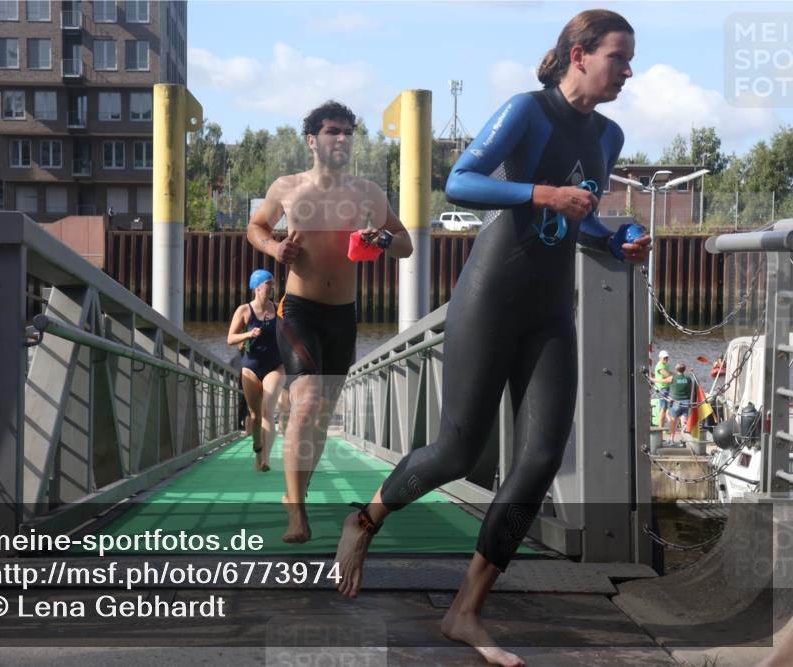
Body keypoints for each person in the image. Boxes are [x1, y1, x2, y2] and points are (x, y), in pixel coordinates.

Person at [332, 10, 649, 667]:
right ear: (578, 54)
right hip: (491, 296)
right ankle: (362, 521)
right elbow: (461, 181)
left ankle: (465, 610)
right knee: (455, 449)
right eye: (619, 57)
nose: (627, 71)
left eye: (630, 59)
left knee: (538, 459)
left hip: (550, 308)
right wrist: (542, 192)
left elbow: (582, 217)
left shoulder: (609, 135)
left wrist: (617, 236)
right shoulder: (527, 111)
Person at [247, 101, 413, 542]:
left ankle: (295, 491)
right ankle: (297, 514)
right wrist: (275, 250)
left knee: (319, 415)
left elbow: (405, 244)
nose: (341, 139)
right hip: (298, 311)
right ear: (311, 139)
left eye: (348, 132)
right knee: (305, 402)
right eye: (332, 131)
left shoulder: (368, 193)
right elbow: (256, 227)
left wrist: (382, 237)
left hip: (343, 315)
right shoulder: (288, 187)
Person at [227, 270, 285, 472]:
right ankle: (259, 452)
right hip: (251, 367)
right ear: (257, 286)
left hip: (275, 366)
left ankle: (266, 459)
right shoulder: (244, 310)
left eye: (273, 283)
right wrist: (248, 335)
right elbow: (230, 338)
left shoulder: (279, 309)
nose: (272, 287)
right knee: (255, 415)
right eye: (268, 283)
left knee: (269, 409)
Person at [668, 362, 693, 443]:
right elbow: (692, 389)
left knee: (673, 422)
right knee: (683, 424)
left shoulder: (673, 378)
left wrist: (651, 379)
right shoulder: (689, 379)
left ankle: (671, 439)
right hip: (686, 403)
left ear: (676, 369)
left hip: (676, 403)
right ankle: (683, 441)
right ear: (684, 370)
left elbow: (661, 381)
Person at [651, 350, 672, 428]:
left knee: (665, 408)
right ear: (660, 358)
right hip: (662, 389)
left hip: (665, 388)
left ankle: (667, 424)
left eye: (667, 358)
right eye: (664, 358)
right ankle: (661, 428)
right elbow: (667, 375)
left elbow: (669, 374)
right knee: (663, 409)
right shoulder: (660, 366)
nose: (666, 359)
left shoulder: (665, 365)